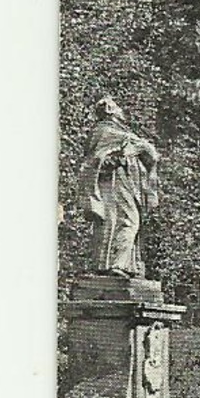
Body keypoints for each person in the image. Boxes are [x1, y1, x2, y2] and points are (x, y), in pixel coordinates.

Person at [80, 96, 161, 279]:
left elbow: (146, 151)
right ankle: (116, 264)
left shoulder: (112, 132)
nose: (121, 111)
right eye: (117, 108)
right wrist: (141, 149)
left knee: (120, 222)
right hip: (114, 184)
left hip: (122, 183)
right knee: (127, 221)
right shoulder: (107, 131)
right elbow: (144, 148)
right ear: (110, 110)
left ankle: (118, 265)